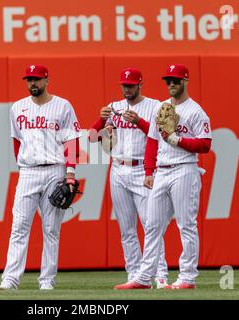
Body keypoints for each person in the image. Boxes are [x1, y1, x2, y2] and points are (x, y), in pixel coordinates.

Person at [114, 64, 212, 290]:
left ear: (185, 82)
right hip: (161, 171)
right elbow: (152, 141)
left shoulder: (196, 111)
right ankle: (144, 277)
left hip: (185, 169)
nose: (171, 84)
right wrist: (149, 172)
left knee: (186, 225)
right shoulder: (162, 107)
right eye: (168, 81)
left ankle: (187, 277)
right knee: (152, 225)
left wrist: (178, 140)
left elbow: (205, 145)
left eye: (176, 80)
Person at [0, 64, 81, 290]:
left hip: (55, 170)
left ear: (46, 80)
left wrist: (70, 173)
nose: (32, 83)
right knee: (19, 226)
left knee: (51, 229)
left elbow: (72, 140)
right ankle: (10, 280)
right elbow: (16, 142)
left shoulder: (62, 106)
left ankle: (47, 281)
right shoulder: (18, 108)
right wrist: (23, 166)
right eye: (29, 79)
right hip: (29, 172)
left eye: (36, 79)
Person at [89, 67, 169, 289]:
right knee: (127, 229)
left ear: (140, 84)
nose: (127, 89)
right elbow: (92, 137)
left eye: (131, 85)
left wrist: (141, 123)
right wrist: (100, 120)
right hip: (118, 169)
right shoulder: (114, 107)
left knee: (151, 225)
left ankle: (160, 275)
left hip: (143, 169)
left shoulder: (155, 106)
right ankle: (134, 274)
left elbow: (165, 136)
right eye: (124, 85)